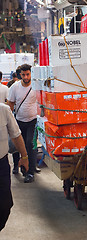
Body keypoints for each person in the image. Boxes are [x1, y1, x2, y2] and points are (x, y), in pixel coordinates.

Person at [0, 103, 29, 232]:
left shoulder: (3, 110)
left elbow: (16, 135)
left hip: (1, 165)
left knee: (5, 205)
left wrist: (24, 157)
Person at [7, 64, 38, 183]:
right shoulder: (15, 87)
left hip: (33, 121)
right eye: (23, 74)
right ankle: (16, 166)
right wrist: (9, 121)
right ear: (20, 74)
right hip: (18, 120)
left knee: (30, 144)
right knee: (17, 144)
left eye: (27, 74)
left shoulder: (36, 86)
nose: (25, 77)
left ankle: (30, 172)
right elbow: (10, 104)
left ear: (31, 73)